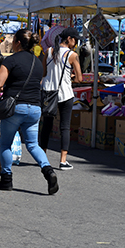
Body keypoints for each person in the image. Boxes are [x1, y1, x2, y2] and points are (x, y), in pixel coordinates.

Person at [0, 29, 58, 194]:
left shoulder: (11, 60)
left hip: (16, 107)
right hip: (35, 107)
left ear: (18, 42)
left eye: (13, 40)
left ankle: (6, 179)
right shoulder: (37, 61)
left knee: (6, 143)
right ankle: (48, 170)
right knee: (33, 144)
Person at [40, 27, 83, 170]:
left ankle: (42, 157)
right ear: (69, 39)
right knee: (64, 126)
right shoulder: (72, 55)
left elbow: (44, 72)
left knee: (46, 125)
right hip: (65, 93)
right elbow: (80, 78)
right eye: (75, 40)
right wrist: (69, 77)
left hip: (48, 92)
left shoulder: (49, 51)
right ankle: (63, 160)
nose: (75, 43)